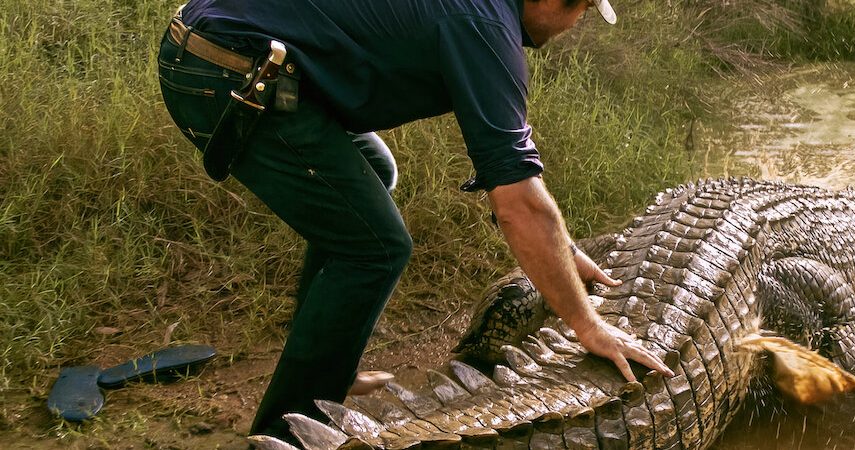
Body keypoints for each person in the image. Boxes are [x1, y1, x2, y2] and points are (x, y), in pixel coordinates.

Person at [155, 0, 673, 444]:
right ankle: (286, 434)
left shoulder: (482, 14)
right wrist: (588, 325)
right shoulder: (484, 27)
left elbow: (508, 175)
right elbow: (518, 203)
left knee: (374, 173)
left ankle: (322, 372)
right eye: (581, 9)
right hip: (226, 66)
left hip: (231, 42)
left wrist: (558, 245)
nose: (576, 23)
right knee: (375, 247)